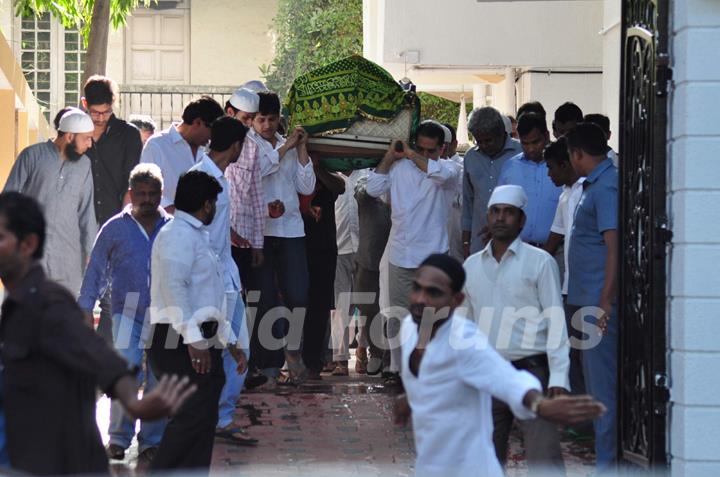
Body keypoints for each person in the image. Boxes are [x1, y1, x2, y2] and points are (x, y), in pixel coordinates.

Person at [0, 191, 194, 476]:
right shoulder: (16, 305)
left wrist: (134, 403)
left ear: (28, 244)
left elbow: (101, 356)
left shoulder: (46, 303)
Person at [394, 253, 605, 477]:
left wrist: (540, 406)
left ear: (456, 301)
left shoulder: (466, 342)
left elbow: (508, 379)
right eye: (417, 288)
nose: (420, 299)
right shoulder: (409, 327)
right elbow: (430, 373)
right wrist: (412, 397)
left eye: (433, 292)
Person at [462, 184, 569, 472]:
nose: (500, 218)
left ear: (521, 220)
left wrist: (559, 376)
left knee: (544, 457)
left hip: (530, 373)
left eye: (508, 212)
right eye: (495, 211)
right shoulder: (471, 267)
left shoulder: (541, 262)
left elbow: (555, 320)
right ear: (487, 217)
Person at [147, 170, 246, 471]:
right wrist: (194, 342)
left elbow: (208, 298)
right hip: (178, 340)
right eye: (214, 202)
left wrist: (230, 342)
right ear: (206, 204)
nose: (215, 209)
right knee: (190, 417)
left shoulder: (194, 236)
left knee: (203, 418)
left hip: (199, 338)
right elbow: (174, 290)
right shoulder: (176, 236)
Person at [78, 164, 170, 463]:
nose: (146, 199)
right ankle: (118, 439)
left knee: (158, 376)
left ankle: (152, 441)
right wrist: (84, 307)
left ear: (161, 194)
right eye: (140, 194)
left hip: (164, 313)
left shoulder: (171, 228)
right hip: (125, 311)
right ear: (130, 194)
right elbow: (95, 271)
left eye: (152, 194)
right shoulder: (114, 228)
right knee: (125, 371)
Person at [367, 121, 461, 384]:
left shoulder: (451, 168)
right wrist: (389, 157)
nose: (424, 153)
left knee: (432, 318)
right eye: (420, 148)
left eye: (430, 150)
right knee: (398, 316)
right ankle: (397, 369)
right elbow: (373, 189)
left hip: (434, 256)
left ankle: (429, 369)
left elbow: (439, 174)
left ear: (442, 149)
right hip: (400, 252)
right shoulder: (398, 167)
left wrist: (411, 154)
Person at [187, 117, 255, 444]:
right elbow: (196, 232)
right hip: (212, 281)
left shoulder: (213, 176)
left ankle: (218, 416)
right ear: (236, 145)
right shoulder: (202, 178)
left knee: (230, 351)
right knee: (234, 350)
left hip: (224, 277)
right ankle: (219, 416)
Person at [249, 91, 316, 382]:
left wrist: (301, 150)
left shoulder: (288, 144)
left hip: (290, 229)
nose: (266, 125)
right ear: (252, 121)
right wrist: (288, 145)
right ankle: (270, 364)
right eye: (261, 120)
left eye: (272, 119)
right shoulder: (247, 145)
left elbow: (306, 186)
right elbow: (259, 169)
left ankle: (293, 350)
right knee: (265, 300)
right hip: (260, 231)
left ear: (279, 119)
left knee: (299, 295)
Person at [566, 123, 619, 471]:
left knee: (603, 389)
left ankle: (607, 464)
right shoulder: (594, 184)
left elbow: (614, 248)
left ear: (577, 154)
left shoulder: (607, 187)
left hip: (598, 303)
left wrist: (605, 301)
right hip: (587, 297)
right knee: (596, 384)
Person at [3, 108, 97, 295]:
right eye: (86, 138)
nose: (90, 144)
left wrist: (92, 251)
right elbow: (8, 200)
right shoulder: (31, 156)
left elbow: (86, 210)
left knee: (62, 312)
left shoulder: (85, 165)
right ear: (70, 136)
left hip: (68, 257)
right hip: (30, 252)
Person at [82, 75, 144, 343]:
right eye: (95, 112)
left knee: (111, 297)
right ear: (84, 104)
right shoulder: (76, 133)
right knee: (79, 295)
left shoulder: (128, 134)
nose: (100, 118)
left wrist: (122, 223)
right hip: (79, 225)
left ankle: (103, 363)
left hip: (113, 221)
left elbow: (132, 183)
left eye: (106, 112)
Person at [543, 138, 587, 398]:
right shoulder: (564, 195)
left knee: (584, 351)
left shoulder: (586, 190)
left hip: (587, 285)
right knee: (569, 347)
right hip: (568, 285)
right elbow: (555, 236)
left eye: (551, 168)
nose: (549, 174)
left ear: (564, 164)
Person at [140, 96, 224, 212]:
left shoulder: (207, 151)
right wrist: (179, 216)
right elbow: (146, 189)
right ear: (197, 122)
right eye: (212, 131)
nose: (211, 137)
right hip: (167, 226)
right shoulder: (157, 145)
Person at [301, 165, 345, 379]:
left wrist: (317, 167)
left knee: (319, 307)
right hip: (296, 244)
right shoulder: (289, 168)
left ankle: (313, 361)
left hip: (324, 247)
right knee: (296, 302)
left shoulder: (326, 173)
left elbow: (340, 187)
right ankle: (291, 358)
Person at [462, 107, 522, 256]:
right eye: (478, 141)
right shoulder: (470, 157)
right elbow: (468, 201)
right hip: (479, 242)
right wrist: (465, 241)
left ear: (501, 133)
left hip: (514, 242)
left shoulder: (521, 153)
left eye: (488, 140)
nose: (483, 145)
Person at [498, 112, 561, 247]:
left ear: (546, 136)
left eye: (535, 142)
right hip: (519, 250)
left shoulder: (561, 168)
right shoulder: (510, 167)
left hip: (558, 252)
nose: (531, 149)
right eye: (525, 143)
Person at [224, 88, 265, 295]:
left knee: (241, 297)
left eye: (252, 119)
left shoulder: (253, 147)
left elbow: (257, 199)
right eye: (245, 118)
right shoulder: (208, 143)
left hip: (244, 240)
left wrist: (258, 245)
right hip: (216, 240)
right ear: (230, 113)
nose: (249, 124)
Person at [353, 171, 392, 376]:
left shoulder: (403, 180)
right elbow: (361, 194)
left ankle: (389, 358)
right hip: (368, 260)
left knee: (393, 311)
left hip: (397, 259)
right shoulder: (365, 181)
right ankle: (376, 352)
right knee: (369, 310)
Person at [329, 169, 363, 375]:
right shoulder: (331, 175)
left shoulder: (367, 172)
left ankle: (364, 351)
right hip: (339, 246)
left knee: (367, 303)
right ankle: (340, 358)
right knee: (340, 305)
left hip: (365, 247)